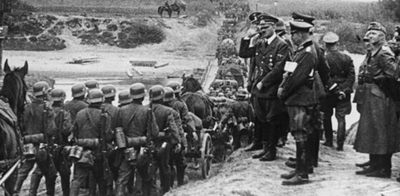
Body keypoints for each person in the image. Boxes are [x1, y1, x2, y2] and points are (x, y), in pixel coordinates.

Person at [238, 13, 291, 161]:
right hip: (259, 87)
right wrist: (248, 37)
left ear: (274, 27)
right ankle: (263, 146)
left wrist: (264, 82)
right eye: (261, 28)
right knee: (260, 118)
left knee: (272, 119)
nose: (263, 30)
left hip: (271, 88)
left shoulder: (281, 45)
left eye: (266, 27)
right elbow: (244, 53)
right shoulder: (260, 43)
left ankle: (271, 151)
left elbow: (279, 68)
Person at [353, 22, 400, 178]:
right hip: (371, 96)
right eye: (369, 33)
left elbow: (393, 75)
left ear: (382, 36)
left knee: (381, 132)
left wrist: (376, 78)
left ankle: (383, 168)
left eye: (373, 33)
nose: (368, 36)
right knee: (372, 130)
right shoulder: (374, 51)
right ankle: (374, 164)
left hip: (380, 97)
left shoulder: (384, 53)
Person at [277, 21, 319, 185]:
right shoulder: (303, 50)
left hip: (300, 98)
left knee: (300, 133)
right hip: (299, 97)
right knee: (300, 133)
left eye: (293, 34)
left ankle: (302, 174)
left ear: (300, 34)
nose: (291, 37)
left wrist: (284, 90)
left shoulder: (307, 52)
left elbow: (296, 78)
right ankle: (301, 169)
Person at [14, 81, 57, 196]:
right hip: (43, 146)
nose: (49, 94)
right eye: (48, 92)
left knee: (23, 171)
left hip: (28, 145)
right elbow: (51, 129)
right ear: (44, 93)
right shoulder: (47, 108)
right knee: (50, 174)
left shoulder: (26, 108)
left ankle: (14, 192)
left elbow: (21, 126)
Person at [115, 83, 159, 196]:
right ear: (143, 96)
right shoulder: (147, 111)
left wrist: (124, 144)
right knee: (146, 177)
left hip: (126, 149)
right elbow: (154, 132)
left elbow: (117, 130)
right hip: (143, 149)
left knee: (122, 180)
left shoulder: (121, 110)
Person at [69, 89, 113, 196]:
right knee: (101, 180)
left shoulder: (80, 114)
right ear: (101, 100)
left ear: (89, 100)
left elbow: (74, 132)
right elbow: (108, 136)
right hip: (98, 152)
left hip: (82, 152)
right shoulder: (104, 115)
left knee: (77, 180)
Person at [320, 32, 355, 150]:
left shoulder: (323, 58)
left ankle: (329, 141)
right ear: (337, 43)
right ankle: (340, 145)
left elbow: (324, 77)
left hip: (328, 92)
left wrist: (334, 89)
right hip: (343, 93)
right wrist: (343, 90)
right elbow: (351, 77)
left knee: (327, 116)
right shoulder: (347, 57)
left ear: (325, 44)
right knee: (341, 118)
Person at [149, 85, 180, 194]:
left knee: (150, 167)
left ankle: (150, 190)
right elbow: (173, 129)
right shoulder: (168, 111)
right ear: (162, 97)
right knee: (165, 167)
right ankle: (165, 190)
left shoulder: (145, 109)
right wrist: (177, 142)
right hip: (164, 143)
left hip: (148, 143)